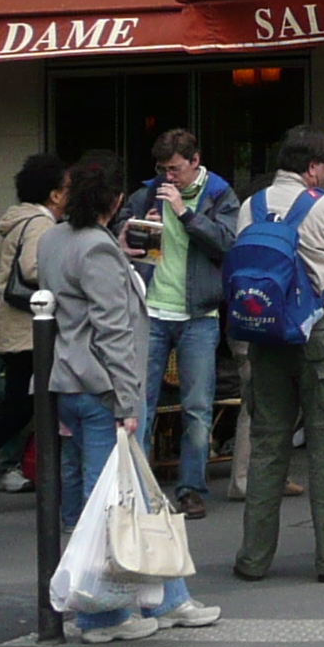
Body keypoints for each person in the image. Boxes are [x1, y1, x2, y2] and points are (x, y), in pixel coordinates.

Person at [40, 155, 217, 639]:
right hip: (104, 388)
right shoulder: (97, 249)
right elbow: (113, 331)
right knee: (117, 504)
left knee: (117, 499)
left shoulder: (53, 238)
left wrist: (118, 255)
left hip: (67, 382)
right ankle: (104, 614)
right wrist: (127, 400)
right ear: (116, 201)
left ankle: (168, 598)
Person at [233, 126, 324, 585]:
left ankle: (253, 559)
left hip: (264, 332)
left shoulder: (249, 206)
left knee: (268, 446)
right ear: (314, 167)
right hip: (321, 331)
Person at [107, 127, 239, 519]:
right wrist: (132, 231)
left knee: (197, 407)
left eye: (176, 169)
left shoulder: (219, 193)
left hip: (198, 314)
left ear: (195, 162)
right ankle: (140, 492)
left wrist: (184, 212)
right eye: (163, 169)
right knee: (140, 405)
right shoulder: (146, 193)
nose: (169, 177)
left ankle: (191, 488)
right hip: (151, 310)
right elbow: (118, 237)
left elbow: (226, 244)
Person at [0, 155, 65, 492]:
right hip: (30, 329)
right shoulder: (40, 224)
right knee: (22, 406)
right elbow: (33, 268)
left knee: (18, 405)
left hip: (16, 326)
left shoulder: (19, 221)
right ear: (54, 194)